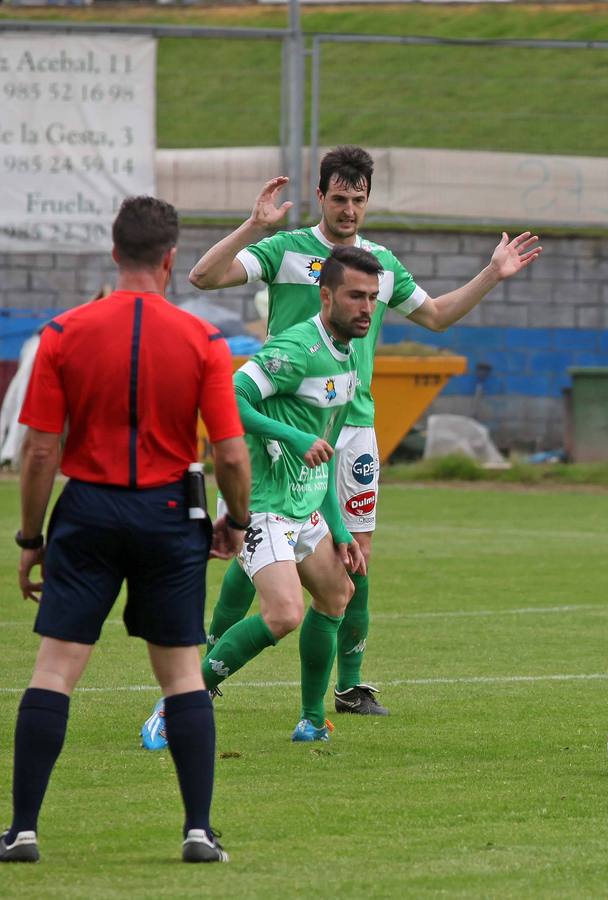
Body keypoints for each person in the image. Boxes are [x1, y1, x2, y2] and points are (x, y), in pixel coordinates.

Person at [187, 146, 542, 716]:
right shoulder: (285, 250)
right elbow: (203, 277)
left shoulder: (379, 262)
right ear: (320, 195)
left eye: (358, 199)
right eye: (339, 198)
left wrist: (492, 274)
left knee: (354, 556)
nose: (349, 209)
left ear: (367, 200)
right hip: (284, 424)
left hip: (352, 427)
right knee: (262, 535)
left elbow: (438, 315)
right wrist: (254, 225)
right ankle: (211, 652)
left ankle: (348, 687)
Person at [2, 197, 251, 864]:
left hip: (88, 511)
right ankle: (198, 829)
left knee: (55, 669)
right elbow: (229, 452)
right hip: (169, 515)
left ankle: (23, 828)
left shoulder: (61, 334)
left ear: (114, 254)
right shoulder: (203, 341)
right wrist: (237, 521)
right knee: (182, 675)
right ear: (171, 259)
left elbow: (39, 452)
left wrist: (31, 539)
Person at [144, 245, 377, 747]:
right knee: (284, 613)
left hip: (306, 507)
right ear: (326, 295)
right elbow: (229, 398)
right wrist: (294, 439)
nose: (366, 308)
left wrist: (339, 531)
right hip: (265, 506)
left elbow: (328, 449)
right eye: (355, 296)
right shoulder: (295, 348)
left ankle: (312, 720)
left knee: (338, 595)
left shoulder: (350, 355)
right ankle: (176, 704)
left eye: (373, 298)